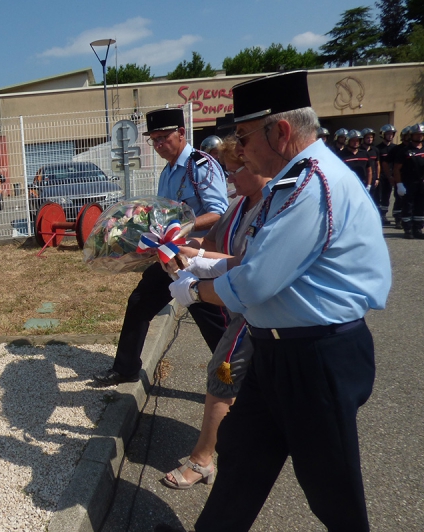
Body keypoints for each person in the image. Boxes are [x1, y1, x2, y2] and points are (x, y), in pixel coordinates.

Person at [169, 70, 391, 532]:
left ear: (282, 131)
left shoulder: (313, 185)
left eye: (245, 136)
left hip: (316, 356)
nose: (240, 148)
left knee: (333, 489)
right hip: (277, 350)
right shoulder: (289, 183)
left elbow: (255, 283)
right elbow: (256, 261)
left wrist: (194, 290)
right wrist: (206, 267)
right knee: (242, 459)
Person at [161, 136, 271, 490]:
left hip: (262, 314)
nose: (230, 179)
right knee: (225, 375)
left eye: (236, 170)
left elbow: (249, 268)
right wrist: (182, 252)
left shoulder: (274, 207)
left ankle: (204, 459)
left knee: (225, 376)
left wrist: (195, 285)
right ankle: (212, 456)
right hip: (247, 311)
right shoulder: (240, 206)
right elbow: (212, 248)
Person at [92, 108, 230, 387]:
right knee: (139, 302)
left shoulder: (200, 166)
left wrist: (182, 230)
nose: (157, 145)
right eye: (153, 140)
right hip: (168, 257)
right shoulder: (168, 171)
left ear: (181, 133)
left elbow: (219, 211)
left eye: (163, 138)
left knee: (212, 323)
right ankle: (126, 368)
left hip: (195, 259)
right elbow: (165, 213)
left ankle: (236, 379)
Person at [393, 123, 424, 239]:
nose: (419, 136)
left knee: (421, 206)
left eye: (421, 134)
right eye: (417, 134)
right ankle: (407, 229)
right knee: (408, 206)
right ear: (411, 136)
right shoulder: (404, 151)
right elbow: (397, 168)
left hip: (421, 182)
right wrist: (399, 184)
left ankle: (418, 228)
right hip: (408, 183)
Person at [389, 126, 412, 228]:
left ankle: (411, 220)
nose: (408, 137)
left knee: (411, 201)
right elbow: (388, 163)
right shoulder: (397, 149)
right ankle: (398, 219)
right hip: (401, 178)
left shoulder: (416, 148)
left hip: (413, 179)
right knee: (399, 199)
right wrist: (391, 176)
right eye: (406, 135)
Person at [375, 123, 397, 225]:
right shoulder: (378, 148)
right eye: (388, 134)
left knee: (387, 196)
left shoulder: (395, 148)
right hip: (381, 175)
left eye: (391, 134)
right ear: (383, 135)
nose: (390, 136)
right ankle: (379, 215)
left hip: (392, 175)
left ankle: (384, 214)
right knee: (378, 195)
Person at [361, 127, 379, 193]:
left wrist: (377, 178)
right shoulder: (359, 150)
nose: (370, 139)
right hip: (362, 178)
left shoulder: (375, 150)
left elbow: (377, 165)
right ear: (363, 139)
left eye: (371, 137)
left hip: (373, 178)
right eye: (368, 138)